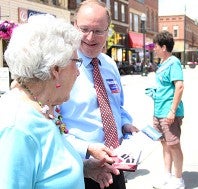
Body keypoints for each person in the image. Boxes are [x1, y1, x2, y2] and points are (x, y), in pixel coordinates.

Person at [0, 14, 119, 189]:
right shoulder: (18, 129)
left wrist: (83, 168)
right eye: (76, 62)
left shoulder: (41, 108)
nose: (78, 73)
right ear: (55, 69)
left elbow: (45, 168)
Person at [59, 1, 139, 189]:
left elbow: (117, 106)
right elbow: (51, 123)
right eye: (84, 29)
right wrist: (86, 149)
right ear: (74, 26)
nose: (90, 37)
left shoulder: (110, 65)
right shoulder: (62, 67)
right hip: (80, 168)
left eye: (98, 31)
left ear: (108, 31)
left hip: (115, 164)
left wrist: (126, 124)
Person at [150, 31, 185, 189]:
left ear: (163, 47)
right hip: (158, 111)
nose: (153, 49)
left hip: (168, 112)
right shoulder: (163, 64)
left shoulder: (174, 62)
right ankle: (167, 175)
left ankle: (178, 179)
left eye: (155, 46)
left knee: (174, 145)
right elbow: (165, 86)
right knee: (164, 144)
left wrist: (172, 111)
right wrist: (155, 92)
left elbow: (179, 86)